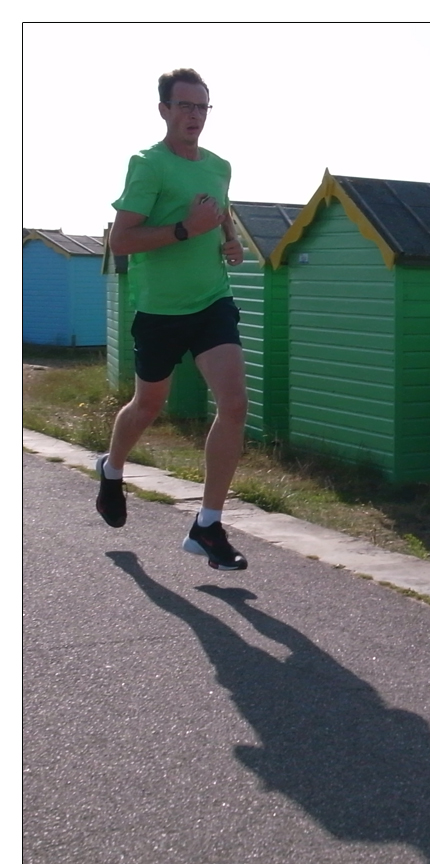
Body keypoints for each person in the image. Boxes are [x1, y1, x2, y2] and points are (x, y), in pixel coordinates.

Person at [97, 68, 249, 570]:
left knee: (234, 404)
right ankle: (113, 470)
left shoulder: (220, 165)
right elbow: (122, 241)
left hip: (211, 302)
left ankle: (207, 525)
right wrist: (186, 229)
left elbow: (221, 217)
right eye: (185, 106)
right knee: (147, 406)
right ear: (164, 109)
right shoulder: (148, 166)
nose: (194, 116)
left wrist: (229, 242)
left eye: (202, 107)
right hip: (160, 310)